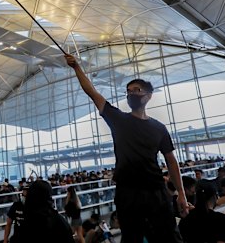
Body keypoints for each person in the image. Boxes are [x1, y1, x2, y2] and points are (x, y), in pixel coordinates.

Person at [66, 54, 187, 242]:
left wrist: (181, 194)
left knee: (167, 236)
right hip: (127, 191)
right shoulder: (119, 120)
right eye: (128, 90)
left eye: (136, 90)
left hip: (155, 191)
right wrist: (76, 68)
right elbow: (92, 92)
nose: (131, 93)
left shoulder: (159, 128)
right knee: (132, 237)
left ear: (148, 96)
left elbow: (172, 161)